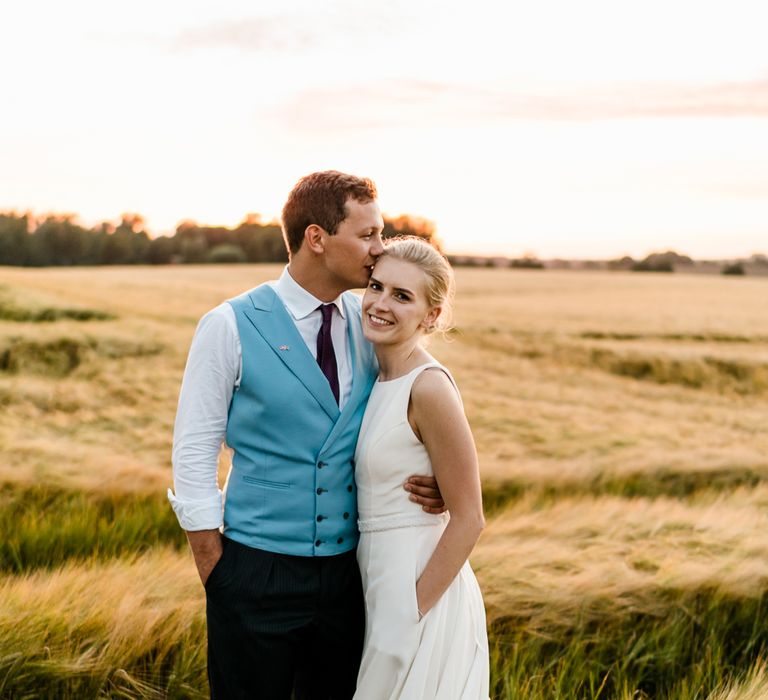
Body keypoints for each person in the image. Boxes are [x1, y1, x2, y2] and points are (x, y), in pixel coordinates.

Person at [167, 171, 444, 700]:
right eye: (367, 235)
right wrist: (216, 569)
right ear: (317, 238)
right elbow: (194, 451)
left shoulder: (371, 322)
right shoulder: (227, 325)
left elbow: (412, 409)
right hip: (253, 572)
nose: (378, 250)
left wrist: (435, 483)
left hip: (349, 576)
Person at [352, 237, 489, 699]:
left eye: (402, 296)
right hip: (372, 578)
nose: (380, 303)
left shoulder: (428, 387)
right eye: (377, 287)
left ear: (431, 316)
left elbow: (470, 517)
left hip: (416, 584)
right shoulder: (370, 374)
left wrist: (411, 611)